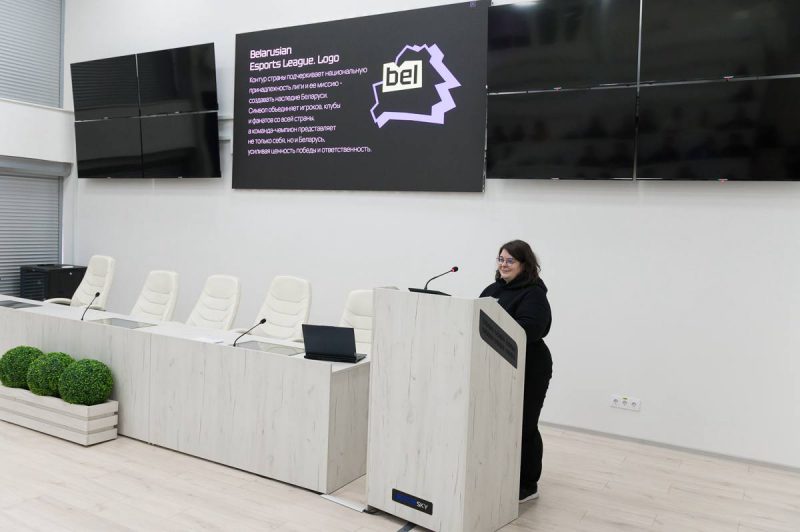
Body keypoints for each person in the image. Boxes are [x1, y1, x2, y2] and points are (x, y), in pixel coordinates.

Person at [480, 239, 552, 503]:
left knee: (524, 425)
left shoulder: (534, 293)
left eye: (510, 260)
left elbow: (532, 329)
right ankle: (502, 473)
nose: (504, 265)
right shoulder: (492, 290)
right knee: (499, 423)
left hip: (529, 368)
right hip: (495, 366)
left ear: (524, 264)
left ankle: (528, 484)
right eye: (501, 259)